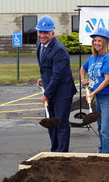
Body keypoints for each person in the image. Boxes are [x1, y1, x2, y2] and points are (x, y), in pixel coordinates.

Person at [36, 15, 77, 152]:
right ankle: (54, 151)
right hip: (52, 88)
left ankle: (62, 154)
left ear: (52, 33)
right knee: (51, 123)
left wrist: (46, 94)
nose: (42, 35)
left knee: (60, 124)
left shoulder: (59, 50)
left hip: (62, 92)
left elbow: (58, 76)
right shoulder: (40, 45)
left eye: (45, 32)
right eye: (40, 32)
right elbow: (47, 68)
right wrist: (43, 78)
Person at [80, 27, 109, 154]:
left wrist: (92, 93)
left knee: (104, 127)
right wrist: (83, 79)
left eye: (100, 41)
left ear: (106, 42)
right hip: (99, 95)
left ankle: (106, 155)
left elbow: (107, 80)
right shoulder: (93, 57)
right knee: (100, 125)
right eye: (95, 40)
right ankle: (102, 150)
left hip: (108, 96)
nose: (96, 43)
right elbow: (82, 68)